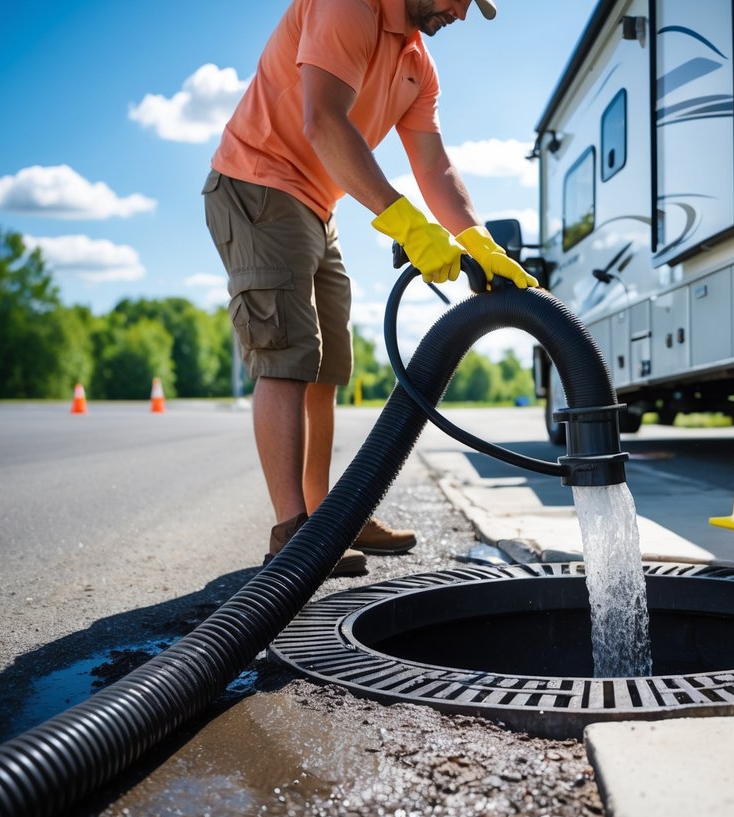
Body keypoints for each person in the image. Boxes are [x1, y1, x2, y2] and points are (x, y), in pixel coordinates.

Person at [202, 0, 536, 576]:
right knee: (286, 356)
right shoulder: (348, 5)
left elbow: (433, 165)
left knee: (327, 367)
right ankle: (294, 535)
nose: (461, 12)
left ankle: (326, 514)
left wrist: (480, 242)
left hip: (317, 203)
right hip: (257, 179)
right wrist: (408, 225)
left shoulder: (418, 64)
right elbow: (323, 121)